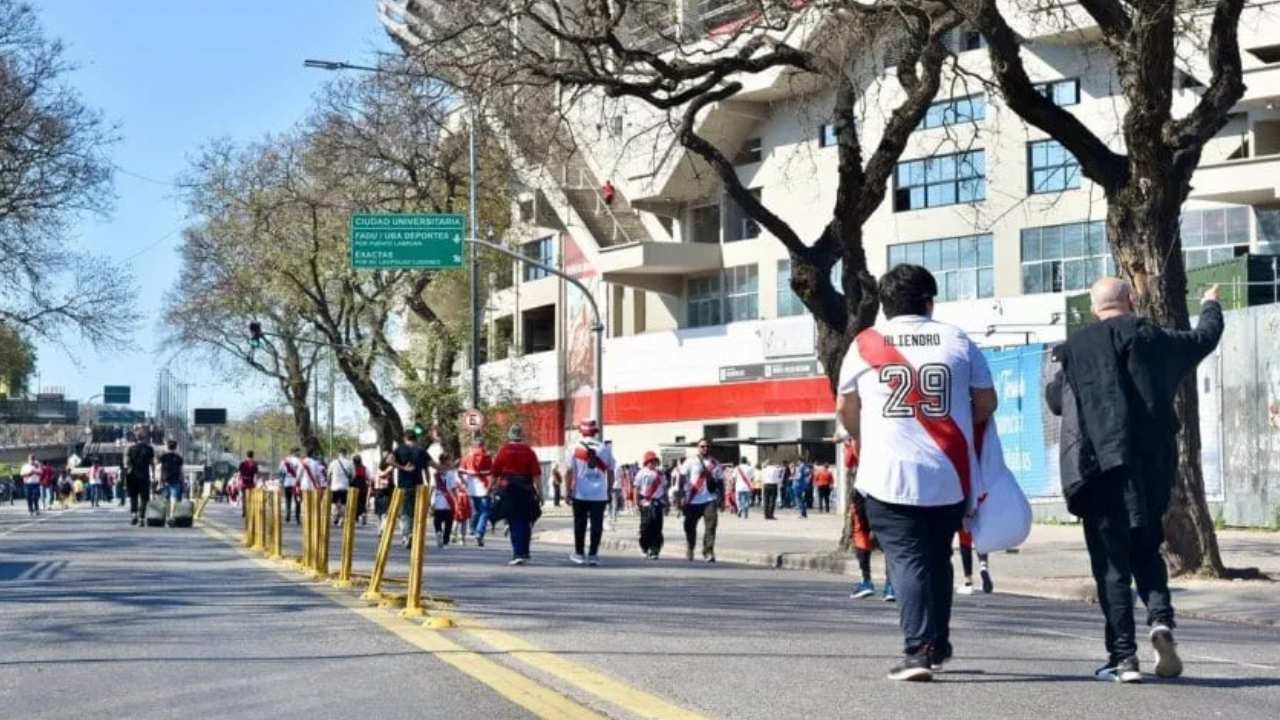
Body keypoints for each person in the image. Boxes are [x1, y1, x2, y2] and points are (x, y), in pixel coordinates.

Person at [1046, 279, 1223, 683]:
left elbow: (1057, 402)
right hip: (1153, 467)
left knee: (1111, 566)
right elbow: (1203, 338)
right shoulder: (1155, 337)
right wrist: (1211, 304)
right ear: (1132, 301)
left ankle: (1123, 659)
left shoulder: (1077, 348)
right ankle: (1160, 620)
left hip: (1100, 468)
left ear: (1094, 310)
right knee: (1146, 550)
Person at [835, 264, 997, 682]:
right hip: (949, 472)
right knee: (938, 558)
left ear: (885, 307)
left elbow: (844, 408)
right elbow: (986, 402)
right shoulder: (957, 339)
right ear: (929, 302)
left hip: (887, 473)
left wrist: (861, 438)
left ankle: (917, 651)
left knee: (906, 560)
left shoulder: (865, 344)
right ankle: (938, 643)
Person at [844, 435, 895, 603]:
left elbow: (848, 460)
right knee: (888, 534)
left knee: (861, 532)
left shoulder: (855, 432)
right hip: (887, 486)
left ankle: (866, 581)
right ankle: (890, 586)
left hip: (865, 487)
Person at [490, 423, 543, 566]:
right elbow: (537, 475)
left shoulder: (504, 451)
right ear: (522, 435)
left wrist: (490, 488)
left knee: (514, 521)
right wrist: (540, 493)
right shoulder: (529, 452)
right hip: (526, 488)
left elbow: (494, 473)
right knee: (526, 520)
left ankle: (518, 553)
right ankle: (524, 551)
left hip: (509, 489)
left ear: (509, 435)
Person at [565, 418, 615, 565]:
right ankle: (593, 554)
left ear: (581, 431)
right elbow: (611, 471)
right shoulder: (604, 448)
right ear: (595, 431)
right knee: (597, 525)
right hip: (599, 495)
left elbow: (569, 471)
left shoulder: (574, 447)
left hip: (580, 493)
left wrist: (567, 491)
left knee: (579, 524)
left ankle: (579, 553)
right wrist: (609, 490)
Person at [680, 438, 723, 562]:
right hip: (693, 500)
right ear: (698, 448)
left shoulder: (715, 463)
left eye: (708, 446)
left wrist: (723, 499)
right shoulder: (690, 461)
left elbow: (720, 482)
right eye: (702, 446)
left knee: (711, 526)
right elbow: (682, 478)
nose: (705, 448)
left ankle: (708, 551)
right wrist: (681, 495)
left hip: (710, 499)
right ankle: (690, 546)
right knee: (689, 526)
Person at [390, 430, 434, 549]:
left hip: (403, 486)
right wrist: (428, 483)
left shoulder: (399, 449)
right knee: (416, 512)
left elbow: (389, 460)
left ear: (405, 438)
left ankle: (406, 535)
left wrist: (402, 468)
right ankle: (414, 535)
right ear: (416, 439)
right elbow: (428, 467)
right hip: (418, 487)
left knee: (405, 512)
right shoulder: (421, 451)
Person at [460, 436, 493, 547]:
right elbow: (492, 474)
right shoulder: (488, 457)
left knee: (476, 511)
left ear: (473, 446)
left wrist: (464, 482)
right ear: (483, 445)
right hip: (484, 488)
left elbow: (460, 472)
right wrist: (491, 487)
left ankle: (473, 529)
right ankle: (479, 532)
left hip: (471, 488)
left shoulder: (466, 458)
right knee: (485, 512)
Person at [634, 451, 667, 559]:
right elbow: (636, 488)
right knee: (645, 527)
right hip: (645, 503)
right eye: (650, 461)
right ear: (646, 462)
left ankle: (654, 550)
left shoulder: (660, 474)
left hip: (657, 503)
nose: (652, 463)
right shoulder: (641, 473)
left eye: (654, 461)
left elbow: (664, 489)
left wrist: (666, 501)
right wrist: (635, 504)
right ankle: (644, 546)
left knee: (657, 527)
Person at [430, 453, 461, 548]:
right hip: (448, 500)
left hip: (437, 499)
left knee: (437, 520)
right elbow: (453, 488)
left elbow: (432, 487)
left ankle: (438, 532)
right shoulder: (451, 473)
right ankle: (445, 541)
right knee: (449, 522)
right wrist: (457, 500)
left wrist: (430, 500)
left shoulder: (435, 473)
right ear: (447, 460)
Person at [124, 436, 155, 526]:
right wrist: (153, 474)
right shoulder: (149, 449)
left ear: (136, 439)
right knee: (144, 498)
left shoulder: (131, 449)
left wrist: (128, 469)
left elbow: (127, 462)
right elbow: (152, 463)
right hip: (145, 476)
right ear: (145, 439)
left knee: (133, 496)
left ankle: (134, 515)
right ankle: (141, 517)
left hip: (133, 476)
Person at [157, 440, 185, 526]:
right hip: (175, 480)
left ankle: (167, 517)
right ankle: (171, 516)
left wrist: (159, 482)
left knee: (166, 499)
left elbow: (160, 469)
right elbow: (181, 471)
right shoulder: (179, 458)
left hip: (165, 480)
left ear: (167, 447)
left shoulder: (163, 457)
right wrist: (182, 481)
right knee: (173, 498)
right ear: (176, 447)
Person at [328, 448, 355, 526]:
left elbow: (329, 475)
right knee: (344, 503)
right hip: (345, 486)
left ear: (338, 454)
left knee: (334, 503)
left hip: (334, 486)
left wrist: (328, 484)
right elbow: (353, 476)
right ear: (345, 454)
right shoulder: (350, 463)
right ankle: (342, 519)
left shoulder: (333, 463)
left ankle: (335, 515)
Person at [278, 449, 303, 523]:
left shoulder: (284, 461)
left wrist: (281, 481)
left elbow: (280, 471)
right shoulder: (299, 461)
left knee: (287, 499)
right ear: (294, 452)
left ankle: (288, 515)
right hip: (295, 482)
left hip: (287, 482)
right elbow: (301, 472)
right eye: (298, 452)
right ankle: (297, 517)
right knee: (297, 500)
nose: (299, 453)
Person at [237, 451, 259, 518]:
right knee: (251, 499)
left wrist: (238, 482)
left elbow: (239, 474)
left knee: (244, 498)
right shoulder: (254, 464)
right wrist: (256, 484)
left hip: (243, 483)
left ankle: (244, 512)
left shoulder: (242, 463)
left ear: (246, 455)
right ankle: (250, 511)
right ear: (253, 456)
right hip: (251, 483)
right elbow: (255, 476)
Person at [351, 454, 370, 525]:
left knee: (355, 502)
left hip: (354, 487)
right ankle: (363, 513)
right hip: (363, 487)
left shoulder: (352, 468)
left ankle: (355, 518)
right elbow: (368, 478)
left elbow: (351, 477)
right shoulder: (365, 468)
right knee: (362, 501)